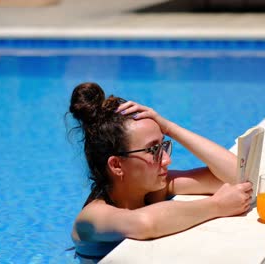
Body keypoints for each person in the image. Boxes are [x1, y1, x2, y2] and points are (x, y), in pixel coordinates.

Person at [68, 82, 253, 262]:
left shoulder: (154, 190)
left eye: (163, 145)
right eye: (153, 150)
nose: (167, 160)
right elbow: (144, 223)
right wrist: (218, 205)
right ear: (116, 165)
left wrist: (168, 127)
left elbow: (238, 175)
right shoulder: (91, 218)